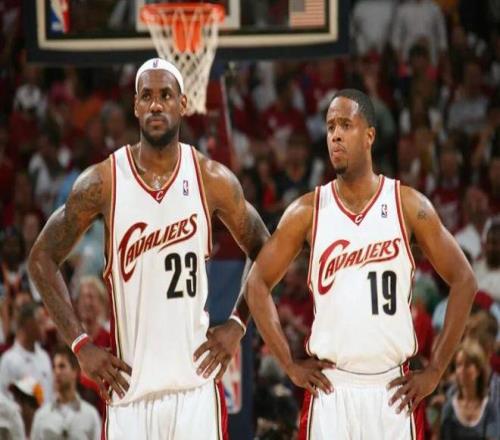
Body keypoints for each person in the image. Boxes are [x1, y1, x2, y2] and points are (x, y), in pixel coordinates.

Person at [28, 58, 269, 439]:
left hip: (195, 389)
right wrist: (80, 343)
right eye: (147, 96)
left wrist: (238, 324)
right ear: (136, 106)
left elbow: (264, 249)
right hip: (130, 393)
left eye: (166, 95)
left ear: (183, 104)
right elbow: (41, 259)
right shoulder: (104, 182)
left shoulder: (210, 178)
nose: (156, 104)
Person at [245, 89, 477, 439]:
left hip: (393, 391)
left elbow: (464, 279)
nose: (335, 135)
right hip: (331, 389)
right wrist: (289, 365)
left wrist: (435, 371)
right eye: (330, 127)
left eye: (345, 125)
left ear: (369, 135)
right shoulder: (307, 211)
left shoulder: (407, 205)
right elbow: (256, 283)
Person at [31, 345, 101, 440]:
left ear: (75, 371)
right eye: (54, 367)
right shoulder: (41, 416)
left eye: (62, 366)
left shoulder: (90, 415)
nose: (57, 372)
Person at [440, 340, 500, 439]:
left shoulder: (489, 409)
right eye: (459, 365)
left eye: (467, 365)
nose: (462, 370)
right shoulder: (449, 408)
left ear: (478, 370)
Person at [0, 302, 53, 402]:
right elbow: (3, 399)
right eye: (40, 322)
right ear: (29, 324)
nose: (46, 326)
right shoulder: (9, 360)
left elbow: (50, 395)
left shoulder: (44, 356)